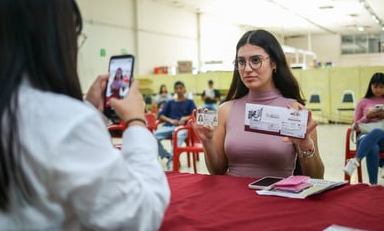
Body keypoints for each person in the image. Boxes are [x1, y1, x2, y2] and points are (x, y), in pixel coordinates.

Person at [0, 0, 170, 231]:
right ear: (50, 39)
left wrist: (90, 109)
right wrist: (136, 123)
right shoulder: (60, 119)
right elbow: (135, 218)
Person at [190, 29, 324, 178]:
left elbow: (317, 178)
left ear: (274, 63)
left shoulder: (293, 111)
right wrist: (207, 141)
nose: (247, 69)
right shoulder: (226, 110)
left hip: (278, 198)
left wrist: (305, 145)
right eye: (241, 62)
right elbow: (217, 171)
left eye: (255, 60)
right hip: (235, 198)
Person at [344, 72, 384, 184]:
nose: (378, 90)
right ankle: (373, 184)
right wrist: (367, 116)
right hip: (364, 135)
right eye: (375, 86)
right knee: (373, 148)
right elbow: (355, 125)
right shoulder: (363, 102)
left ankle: (356, 160)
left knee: (378, 131)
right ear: (370, 86)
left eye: (381, 87)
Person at [155, 81, 197, 169]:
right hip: (169, 126)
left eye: (181, 88)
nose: (179, 90)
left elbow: (195, 114)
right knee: (152, 137)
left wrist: (184, 118)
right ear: (174, 90)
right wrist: (170, 120)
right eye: (177, 88)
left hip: (183, 128)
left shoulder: (190, 102)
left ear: (184, 89)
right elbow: (161, 115)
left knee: (177, 135)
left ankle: (172, 161)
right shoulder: (170, 103)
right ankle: (168, 156)